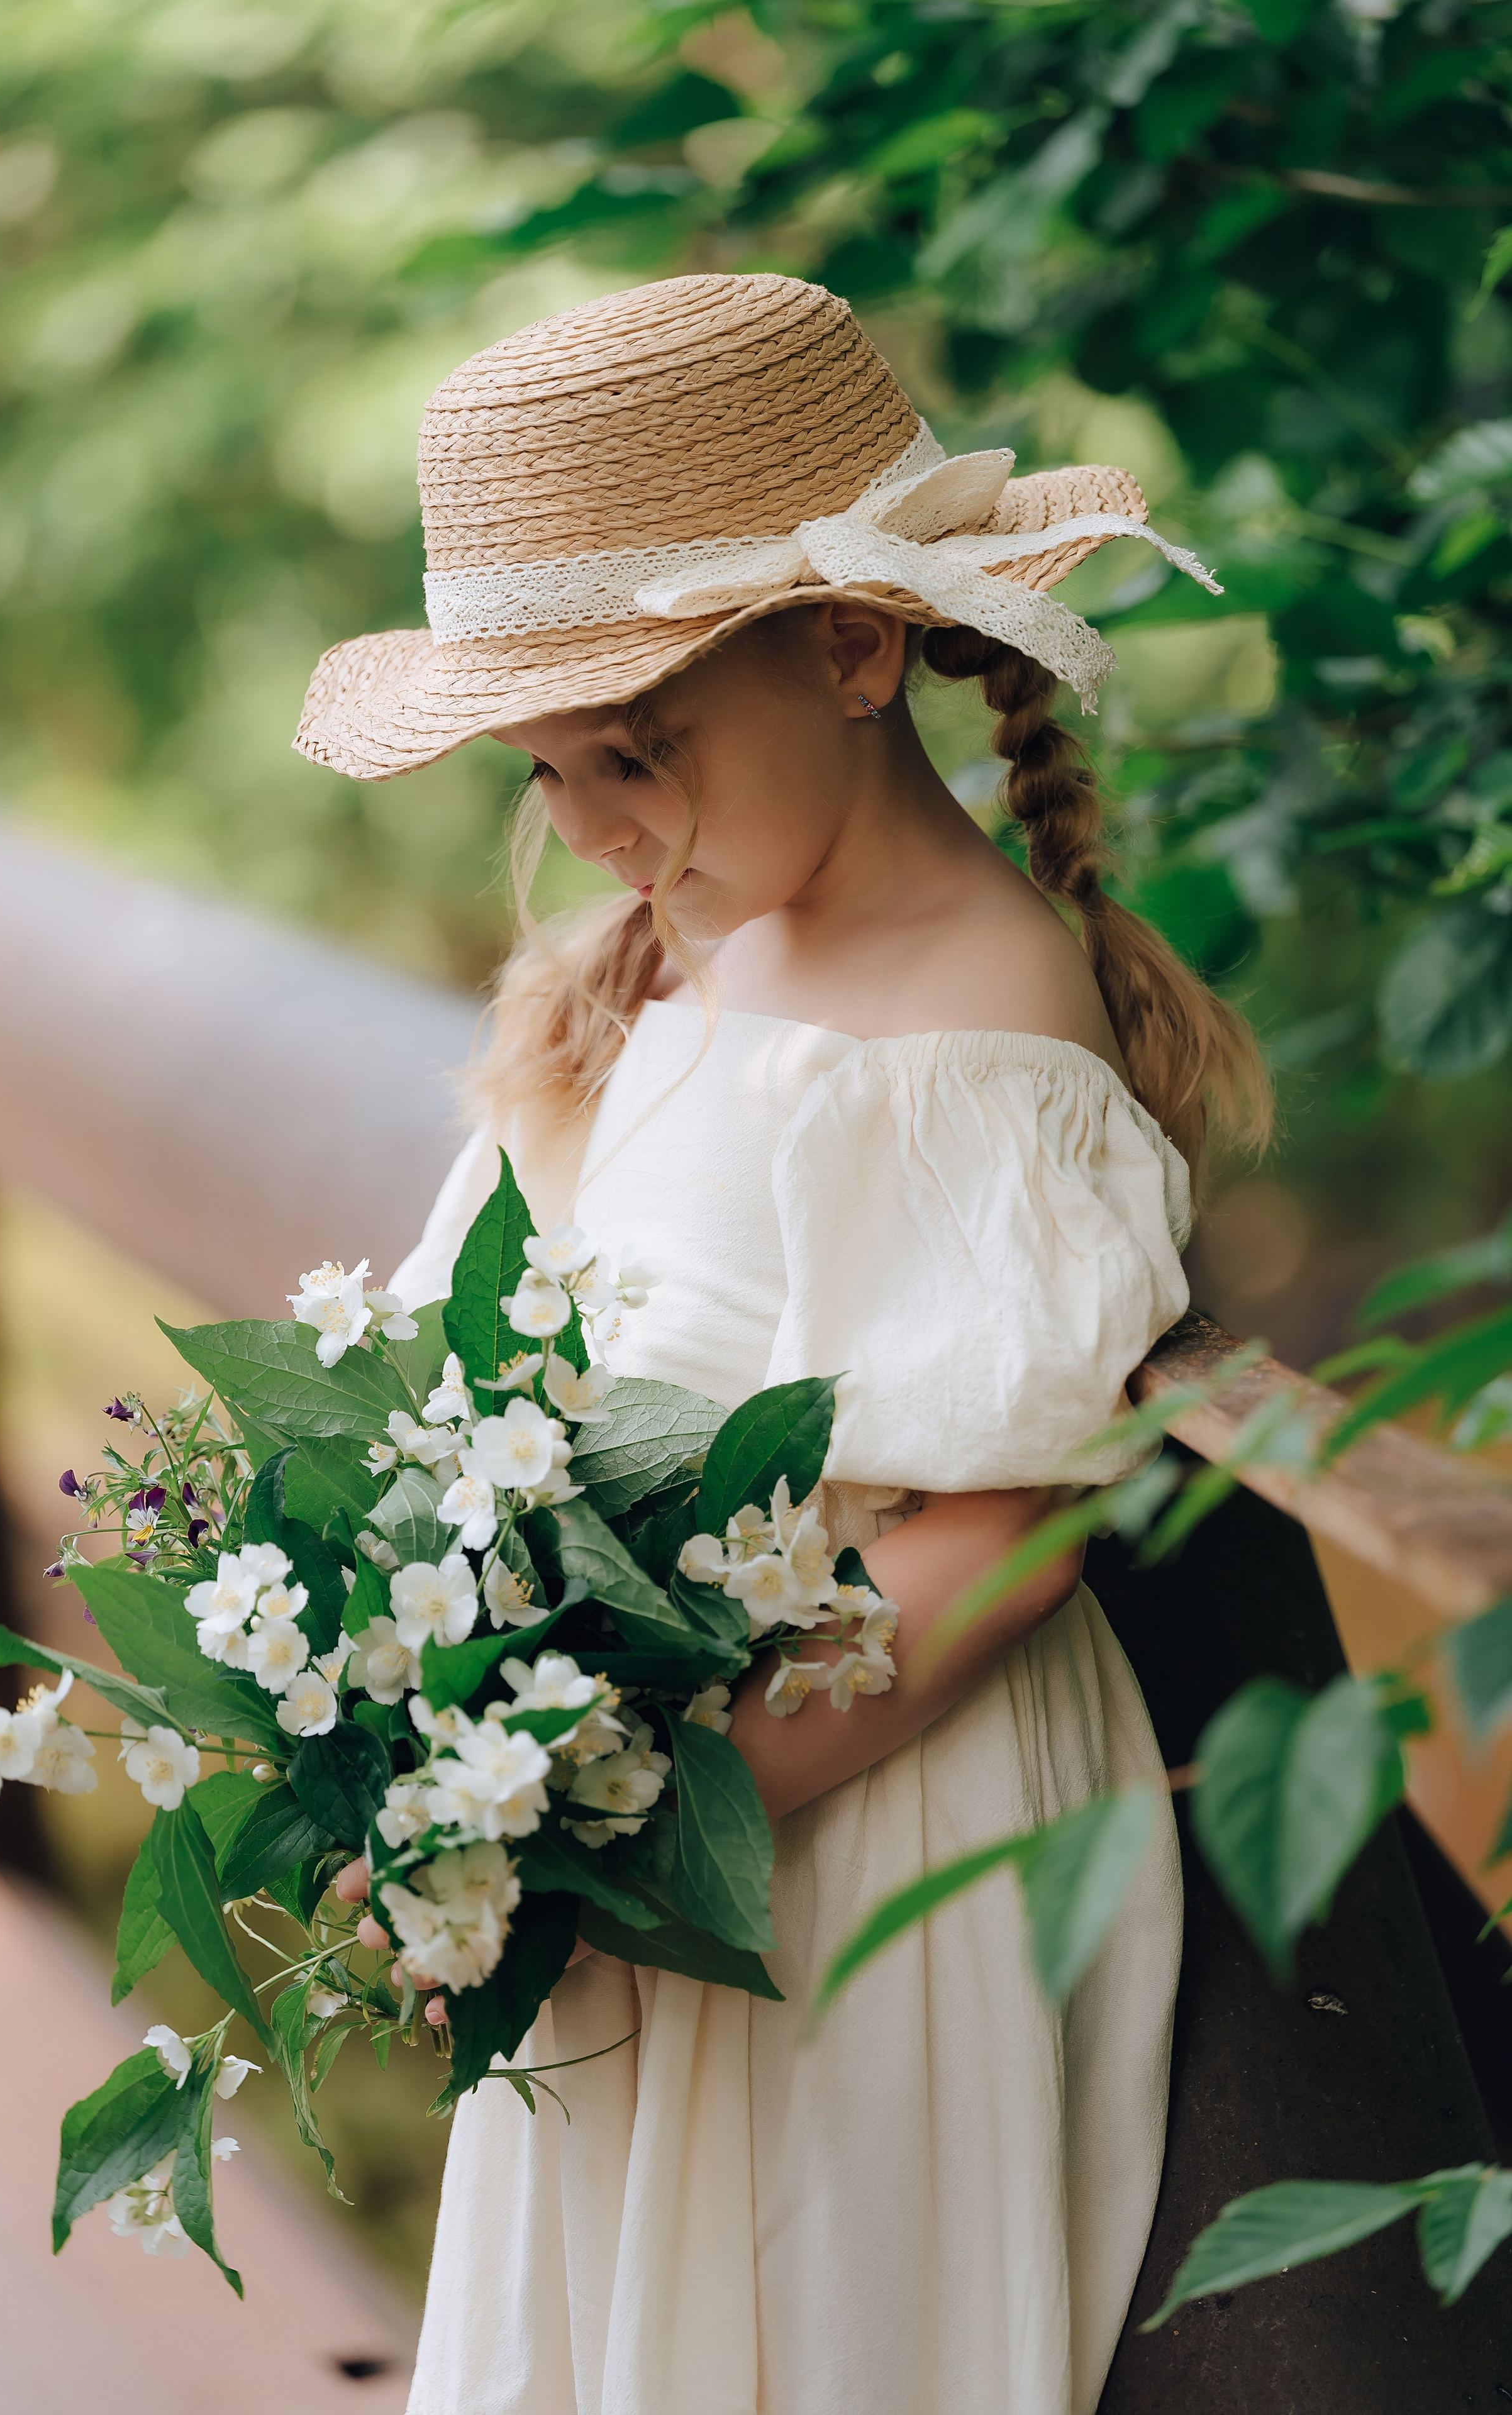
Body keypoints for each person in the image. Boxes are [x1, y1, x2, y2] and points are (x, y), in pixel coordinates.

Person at [298, 272, 1270, 2415]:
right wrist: (454, 1751)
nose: (591, 828)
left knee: (804, 2329)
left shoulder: (974, 1021)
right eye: (545, 769)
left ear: (852, 647)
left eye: (630, 753)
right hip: (660, 1802)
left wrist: (633, 1820)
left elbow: (1004, 1534)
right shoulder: (681, 954)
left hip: (846, 1839)